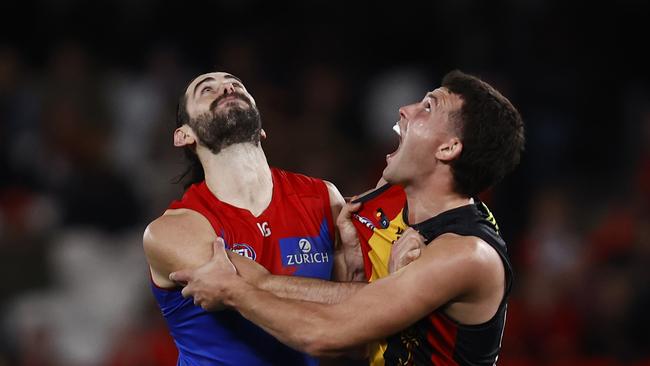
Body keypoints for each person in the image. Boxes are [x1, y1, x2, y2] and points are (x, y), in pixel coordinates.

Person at [170, 70, 525, 365]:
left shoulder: (466, 254)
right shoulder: (384, 197)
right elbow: (360, 309)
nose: (405, 109)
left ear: (448, 148)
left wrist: (237, 291)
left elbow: (326, 335)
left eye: (427, 107)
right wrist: (355, 270)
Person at [142, 71, 368, 365]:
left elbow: (354, 331)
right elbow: (259, 288)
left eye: (235, 85)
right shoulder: (172, 230)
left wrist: (360, 282)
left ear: (261, 126)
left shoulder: (323, 197)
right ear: (183, 135)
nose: (226, 89)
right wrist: (387, 295)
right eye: (207, 90)